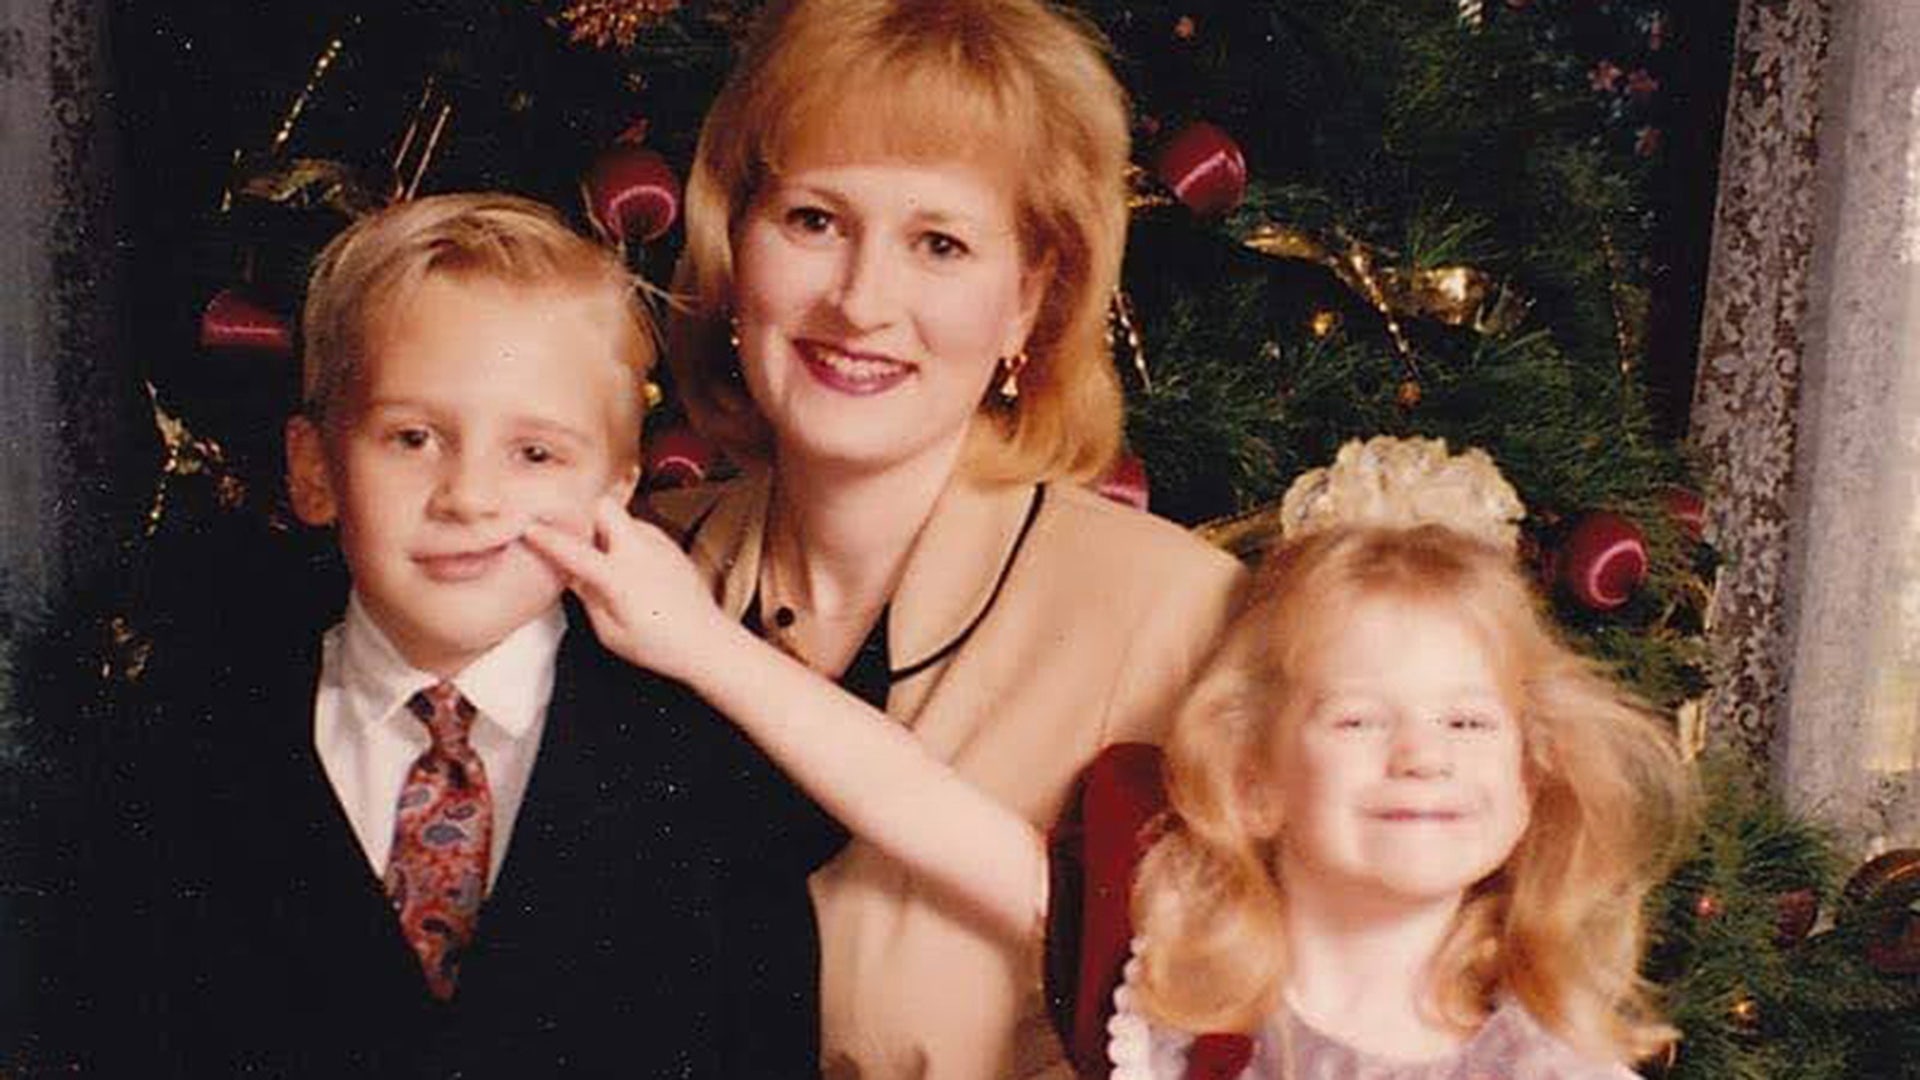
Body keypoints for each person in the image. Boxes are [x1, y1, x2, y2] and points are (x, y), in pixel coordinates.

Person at [621, 0, 1248, 1074]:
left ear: (1028, 301)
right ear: (736, 246)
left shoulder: (1178, 622)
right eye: (814, 220)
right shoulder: (632, 567)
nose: (862, 301)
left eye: (940, 243)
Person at [530, 508, 1695, 1079]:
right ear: (1256, 780)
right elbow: (920, 804)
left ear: (1531, 774)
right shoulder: (1173, 957)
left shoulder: (1553, 1067)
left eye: (1468, 721)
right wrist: (696, 641)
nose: (1423, 755)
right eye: (1358, 718)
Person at [74, 192, 811, 1077]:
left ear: (614, 490)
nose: (469, 496)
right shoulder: (177, 754)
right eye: (413, 437)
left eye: (535, 453)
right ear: (315, 470)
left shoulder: (704, 767)